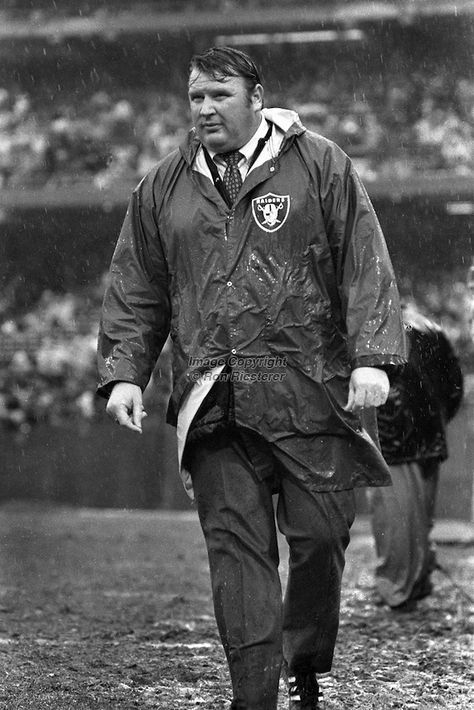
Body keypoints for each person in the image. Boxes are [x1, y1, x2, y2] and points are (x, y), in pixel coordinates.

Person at [97, 46, 406, 710]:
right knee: (239, 557)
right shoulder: (162, 187)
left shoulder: (321, 164)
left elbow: (364, 261)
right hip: (214, 397)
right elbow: (137, 287)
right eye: (196, 97)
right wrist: (126, 372)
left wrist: (374, 357)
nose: (204, 109)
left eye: (219, 95)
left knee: (321, 541)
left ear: (257, 97)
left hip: (311, 392)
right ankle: (254, 695)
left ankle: (304, 659)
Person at [370, 301, 464, 612]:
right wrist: (436, 418)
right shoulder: (431, 328)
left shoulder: (377, 326)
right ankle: (418, 578)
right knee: (420, 515)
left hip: (394, 436)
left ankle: (397, 587)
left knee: (394, 517)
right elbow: (454, 385)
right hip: (428, 435)